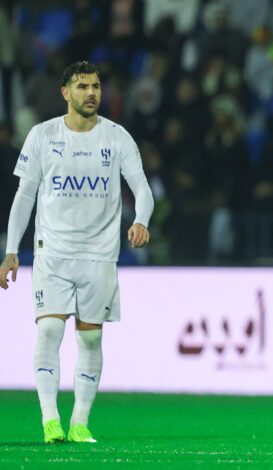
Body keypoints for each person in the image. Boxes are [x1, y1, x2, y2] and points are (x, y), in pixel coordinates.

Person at [0, 61, 154, 444]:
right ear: (65, 92)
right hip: (52, 251)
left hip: (99, 255)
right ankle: (50, 420)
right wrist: (10, 250)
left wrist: (143, 220)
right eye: (83, 86)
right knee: (50, 329)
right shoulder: (42, 135)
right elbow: (25, 196)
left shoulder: (117, 138)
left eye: (97, 86)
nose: (92, 93)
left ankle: (80, 422)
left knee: (89, 340)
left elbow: (143, 189)